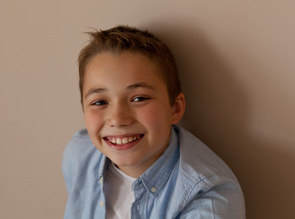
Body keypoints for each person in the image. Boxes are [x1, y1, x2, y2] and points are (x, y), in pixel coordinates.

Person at [62, 25, 246, 219]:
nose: (117, 119)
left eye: (139, 98)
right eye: (99, 102)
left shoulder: (209, 195)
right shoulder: (79, 155)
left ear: (175, 108)